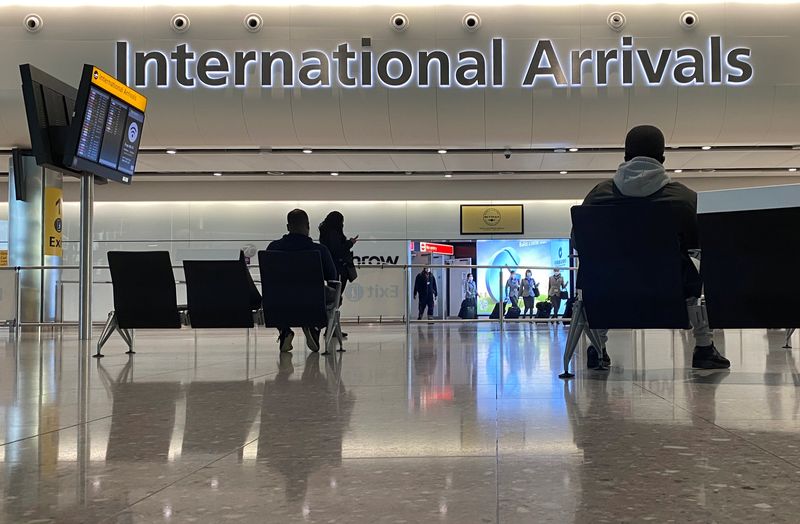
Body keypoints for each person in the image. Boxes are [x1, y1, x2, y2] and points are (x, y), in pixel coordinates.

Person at [580, 124, 728, 370]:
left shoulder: (598, 195)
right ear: (662, 158)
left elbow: (580, 242)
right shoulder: (684, 198)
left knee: (601, 273)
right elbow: (699, 244)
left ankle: (598, 347)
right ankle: (703, 346)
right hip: (671, 291)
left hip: (610, 291)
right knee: (693, 271)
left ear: (626, 156)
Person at [266, 209, 338, 353]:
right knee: (334, 296)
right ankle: (315, 326)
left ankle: (285, 330)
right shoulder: (319, 250)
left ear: (288, 227)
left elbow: (268, 278)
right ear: (308, 226)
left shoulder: (273, 248)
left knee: (278, 293)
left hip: (280, 299)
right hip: (313, 299)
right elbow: (333, 278)